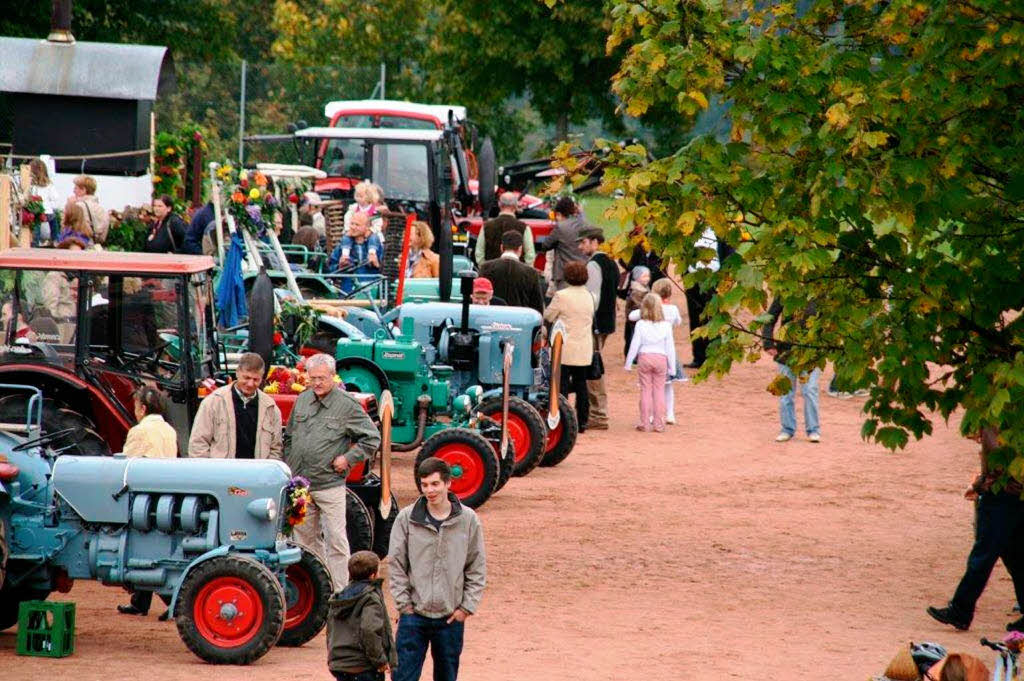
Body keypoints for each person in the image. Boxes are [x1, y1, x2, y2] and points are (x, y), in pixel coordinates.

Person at [284, 353, 381, 590]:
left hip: (330, 486)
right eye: (312, 378)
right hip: (302, 488)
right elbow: (289, 436)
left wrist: (347, 458)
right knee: (304, 540)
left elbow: (372, 438)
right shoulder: (303, 400)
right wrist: (290, 462)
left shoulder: (347, 405)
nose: (317, 383)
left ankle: (341, 591)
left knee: (336, 541)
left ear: (332, 376)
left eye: (322, 378)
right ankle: (317, 590)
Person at [389, 457, 486, 681]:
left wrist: (466, 608)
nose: (429, 490)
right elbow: (396, 564)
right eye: (424, 485)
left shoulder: (468, 520)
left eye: (435, 484)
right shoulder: (406, 518)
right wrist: (405, 605)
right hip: (413, 616)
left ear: (448, 484)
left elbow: (476, 566)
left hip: (450, 618)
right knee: (402, 677)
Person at [928, 428, 1024, 633]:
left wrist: (981, 484)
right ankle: (961, 610)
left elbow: (999, 461)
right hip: (1014, 494)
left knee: (983, 555)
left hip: (1002, 494)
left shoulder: (996, 416)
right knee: (1015, 556)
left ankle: (960, 610)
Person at [118, 386, 177, 619]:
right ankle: (140, 601)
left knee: (146, 551)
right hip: (167, 496)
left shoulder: (140, 431)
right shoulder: (168, 430)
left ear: (142, 409)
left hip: (144, 498)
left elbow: (126, 467)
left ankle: (174, 601)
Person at [188, 353, 283, 459]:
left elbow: (276, 450)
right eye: (246, 378)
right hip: (222, 474)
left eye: (256, 380)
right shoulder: (213, 402)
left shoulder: (270, 408)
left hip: (257, 474)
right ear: (237, 373)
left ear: (262, 378)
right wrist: (210, 473)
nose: (250, 384)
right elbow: (198, 445)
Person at [328, 551, 397, 681]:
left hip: (340, 664)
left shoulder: (338, 599)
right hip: (363, 666)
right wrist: (380, 660)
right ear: (373, 575)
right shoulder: (370, 598)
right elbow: (369, 630)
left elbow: (330, 631)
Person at [543, 261, 594, 432]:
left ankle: (563, 419)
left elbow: (549, 316)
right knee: (581, 385)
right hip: (584, 346)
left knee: (561, 384)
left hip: (564, 347)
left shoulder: (561, 295)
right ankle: (583, 421)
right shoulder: (590, 295)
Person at [762, 296, 821, 443]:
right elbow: (770, 318)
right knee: (786, 393)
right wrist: (768, 342)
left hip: (811, 353)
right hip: (786, 352)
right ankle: (787, 429)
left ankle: (813, 429)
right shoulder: (785, 292)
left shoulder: (819, 293)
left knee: (810, 390)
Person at [628, 278, 685, 424]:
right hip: (666, 352)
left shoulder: (649, 310)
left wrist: (644, 308)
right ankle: (670, 414)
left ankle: (652, 415)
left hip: (649, 352)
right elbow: (678, 322)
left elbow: (632, 316)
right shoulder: (673, 309)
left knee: (650, 387)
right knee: (667, 386)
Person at [578, 227, 618, 431]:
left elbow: (592, 298)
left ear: (595, 242)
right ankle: (597, 412)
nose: (580, 246)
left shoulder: (594, 264)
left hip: (595, 324)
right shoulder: (612, 262)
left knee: (593, 370)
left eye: (583, 242)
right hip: (607, 321)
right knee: (595, 367)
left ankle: (598, 414)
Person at [624, 293, 677, 432]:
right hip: (661, 358)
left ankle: (644, 422)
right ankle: (659, 424)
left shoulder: (641, 324)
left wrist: (628, 363)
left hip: (645, 357)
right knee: (659, 391)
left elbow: (635, 344)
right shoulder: (666, 325)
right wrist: (672, 367)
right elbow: (670, 347)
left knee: (645, 391)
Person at [477, 231, 545, 314]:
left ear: (501, 247)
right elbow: (537, 306)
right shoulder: (531, 273)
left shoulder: (486, 268)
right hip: (520, 320)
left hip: (492, 318)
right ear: (520, 249)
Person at [683, 226, 720, 368]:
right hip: (693, 280)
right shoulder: (689, 229)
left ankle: (715, 357)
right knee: (695, 317)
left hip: (713, 279)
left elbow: (729, 253)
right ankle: (699, 357)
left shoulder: (719, 229)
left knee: (712, 318)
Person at [538, 196, 587, 291]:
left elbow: (545, 245)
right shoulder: (584, 225)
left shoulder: (560, 227)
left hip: (565, 275)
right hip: (583, 273)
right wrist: (581, 213)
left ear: (559, 213)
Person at [328, 212, 384, 294]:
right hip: (348, 291)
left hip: (371, 290)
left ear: (367, 227)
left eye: (357, 225)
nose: (353, 227)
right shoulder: (342, 245)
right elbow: (330, 269)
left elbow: (386, 269)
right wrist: (339, 266)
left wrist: (377, 264)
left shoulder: (376, 244)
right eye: (352, 224)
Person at [43, 237, 85, 343]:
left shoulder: (79, 276)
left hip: (77, 325)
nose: (77, 258)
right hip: (61, 327)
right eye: (73, 254)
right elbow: (50, 306)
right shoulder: (55, 276)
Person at [475, 192, 535, 266]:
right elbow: (530, 255)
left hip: (491, 274)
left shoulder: (486, 226)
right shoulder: (524, 227)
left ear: (499, 204)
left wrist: (485, 269)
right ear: (515, 205)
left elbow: (479, 254)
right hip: (517, 274)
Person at [65, 174, 109, 245]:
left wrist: (69, 205)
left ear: (83, 190)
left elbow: (67, 227)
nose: (74, 191)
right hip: (95, 247)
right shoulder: (102, 210)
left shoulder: (77, 206)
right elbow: (103, 236)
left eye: (76, 188)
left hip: (79, 245)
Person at [622, 266, 651, 360]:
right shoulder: (636, 291)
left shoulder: (645, 288)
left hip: (642, 317)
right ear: (637, 277)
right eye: (644, 276)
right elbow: (638, 305)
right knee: (634, 337)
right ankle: (633, 356)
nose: (647, 279)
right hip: (635, 319)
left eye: (648, 276)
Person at [28, 158, 59, 245]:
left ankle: (35, 243)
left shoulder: (31, 184)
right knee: (54, 223)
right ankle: (55, 240)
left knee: (36, 227)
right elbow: (55, 197)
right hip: (47, 210)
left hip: (36, 210)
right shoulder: (49, 184)